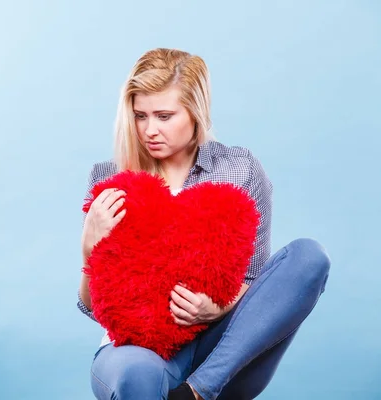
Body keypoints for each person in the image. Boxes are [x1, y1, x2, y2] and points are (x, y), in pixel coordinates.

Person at [77, 48, 331, 400]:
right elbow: (93, 306)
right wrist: (89, 247)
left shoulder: (240, 170)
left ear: (196, 112)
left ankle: (197, 391)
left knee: (308, 256)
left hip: (226, 351)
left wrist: (219, 307)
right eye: (140, 116)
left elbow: (260, 286)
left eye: (164, 116)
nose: (150, 130)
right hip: (140, 348)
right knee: (138, 374)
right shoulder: (110, 178)